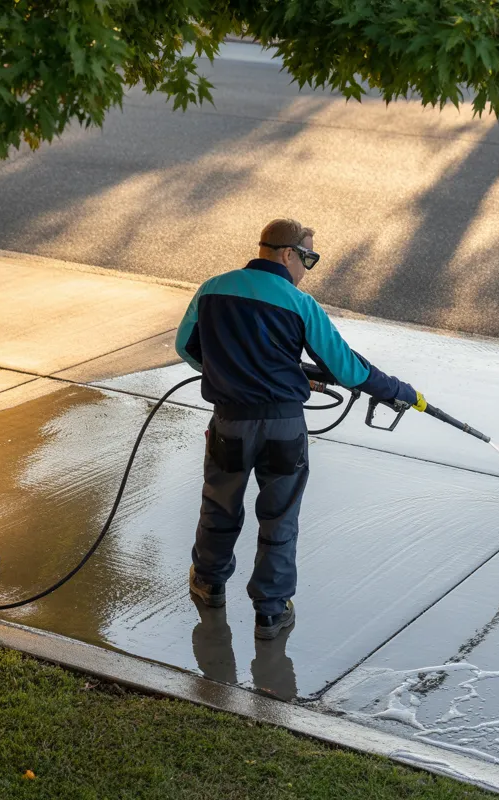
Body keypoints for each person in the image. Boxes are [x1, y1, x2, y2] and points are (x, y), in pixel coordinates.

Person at [174, 219, 423, 639]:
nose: (308, 267)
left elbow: (187, 346)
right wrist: (399, 390)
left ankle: (209, 583)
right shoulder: (299, 303)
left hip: (229, 422)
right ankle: (270, 612)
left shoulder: (213, 288)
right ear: (287, 253)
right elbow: (345, 367)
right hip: (283, 428)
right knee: (279, 517)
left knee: (219, 505)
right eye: (308, 257)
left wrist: (230, 375)